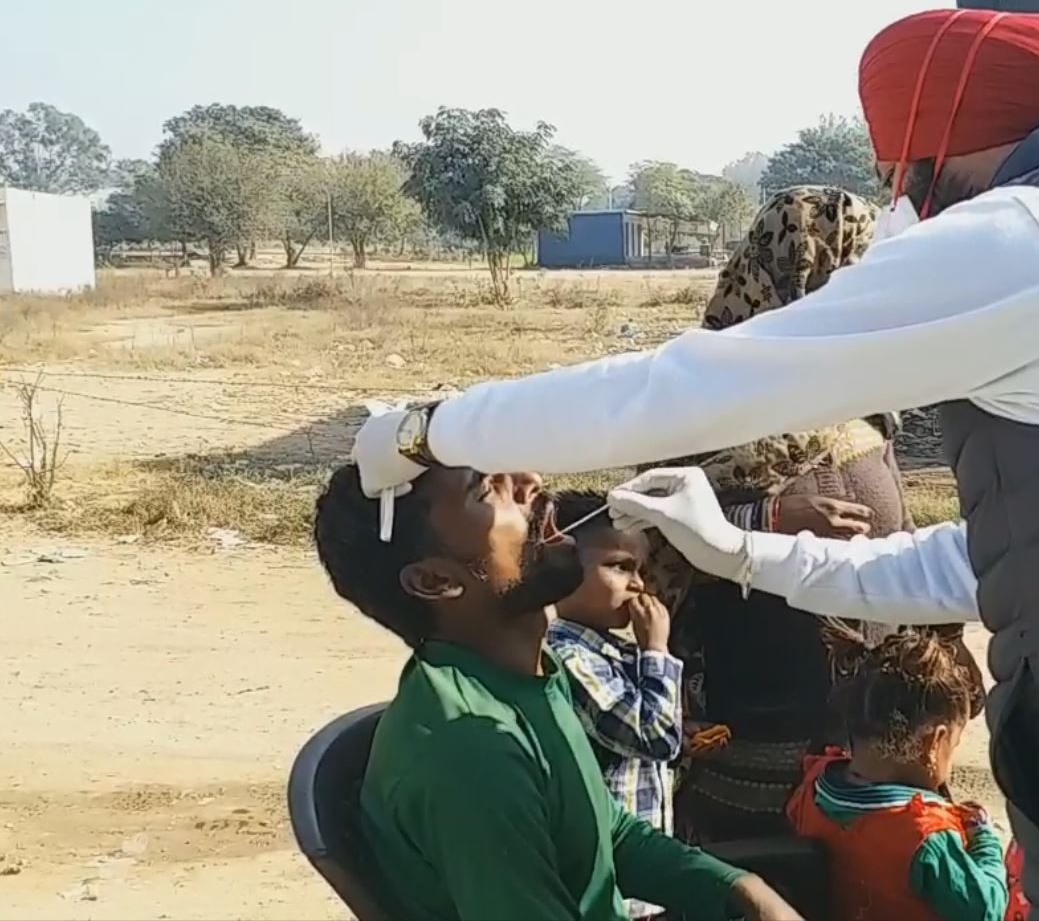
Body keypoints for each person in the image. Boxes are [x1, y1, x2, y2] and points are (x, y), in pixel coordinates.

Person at [352, 7, 1039, 920]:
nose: (899, 211)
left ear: (929, 155)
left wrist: (431, 431)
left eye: (899, 178)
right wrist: (742, 548)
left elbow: (688, 386)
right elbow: (1024, 561)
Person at [311, 465, 799, 921]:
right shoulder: (471, 751)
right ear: (437, 581)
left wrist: (744, 890)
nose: (530, 482)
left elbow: (605, 834)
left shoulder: (528, 675)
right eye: (486, 492)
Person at [638, 186, 974, 844]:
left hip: (875, 736)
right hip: (751, 729)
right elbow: (644, 538)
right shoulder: (701, 398)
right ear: (803, 274)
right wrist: (768, 517)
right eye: (855, 275)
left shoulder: (866, 399)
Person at [786, 628, 1007, 921]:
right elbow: (985, 911)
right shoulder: (926, 835)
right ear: (934, 742)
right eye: (953, 745)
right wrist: (984, 840)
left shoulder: (815, 783)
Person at [545, 493, 683, 918]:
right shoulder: (566, 656)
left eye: (641, 570)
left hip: (642, 887)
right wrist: (656, 649)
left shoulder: (608, 653)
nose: (639, 584)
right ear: (562, 567)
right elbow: (654, 736)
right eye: (620, 566)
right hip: (613, 893)